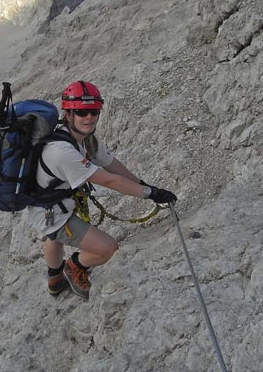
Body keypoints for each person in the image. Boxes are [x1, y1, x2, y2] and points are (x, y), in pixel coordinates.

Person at [27, 81, 177, 298]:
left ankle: (55, 280)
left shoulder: (85, 137)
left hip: (55, 204)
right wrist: (150, 194)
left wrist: (144, 184)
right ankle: (74, 266)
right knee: (108, 248)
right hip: (52, 213)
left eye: (94, 111)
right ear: (68, 114)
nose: (89, 117)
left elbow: (110, 164)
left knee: (54, 237)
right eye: (81, 112)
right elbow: (109, 180)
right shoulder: (61, 151)